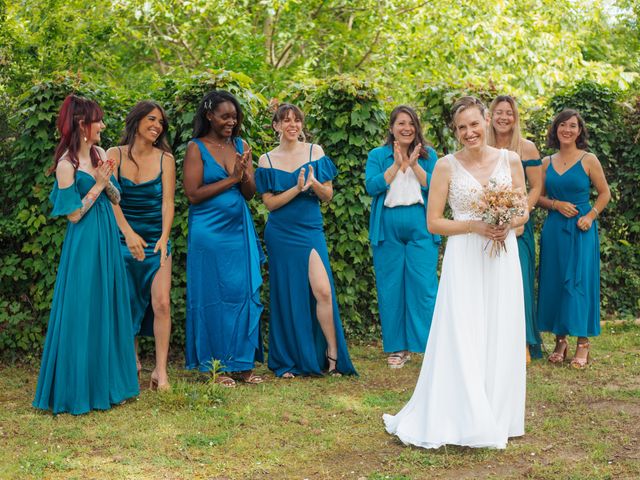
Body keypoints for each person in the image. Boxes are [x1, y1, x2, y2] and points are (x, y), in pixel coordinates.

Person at [384, 96, 529, 449]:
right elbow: (434, 221)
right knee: (464, 329)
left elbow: (523, 211)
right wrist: (476, 227)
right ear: (456, 131)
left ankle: (498, 413)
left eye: (474, 124)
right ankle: (464, 412)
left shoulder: (510, 160)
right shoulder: (447, 166)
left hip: (501, 256)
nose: (469, 132)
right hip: (464, 256)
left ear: (486, 122)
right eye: (461, 127)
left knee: (499, 327)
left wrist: (506, 221)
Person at [33, 94, 139, 414]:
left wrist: (107, 180)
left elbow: (116, 198)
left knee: (107, 305)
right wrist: (96, 184)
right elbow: (74, 215)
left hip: (106, 236)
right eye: (99, 120)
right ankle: (78, 389)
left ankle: (108, 386)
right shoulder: (67, 166)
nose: (103, 125)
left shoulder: (99, 153)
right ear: (82, 124)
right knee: (83, 308)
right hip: (84, 242)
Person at [255, 103, 356, 378]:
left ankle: (332, 355)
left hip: (310, 230)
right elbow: (270, 204)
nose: (292, 125)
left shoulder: (315, 152)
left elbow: (328, 196)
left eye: (297, 120)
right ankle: (288, 359)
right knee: (287, 295)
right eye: (286, 120)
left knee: (322, 290)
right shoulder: (267, 160)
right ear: (276, 126)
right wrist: (296, 188)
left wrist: (314, 185)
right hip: (281, 233)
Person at [183, 90, 264, 386]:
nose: (231, 121)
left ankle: (242, 363)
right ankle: (213, 366)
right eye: (225, 116)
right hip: (208, 232)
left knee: (242, 292)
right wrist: (230, 178)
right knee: (212, 295)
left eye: (234, 116)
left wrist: (243, 174)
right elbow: (192, 195)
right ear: (209, 116)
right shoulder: (196, 147)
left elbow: (249, 193)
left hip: (238, 229)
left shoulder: (240, 145)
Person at [107, 101, 175, 391]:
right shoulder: (113, 155)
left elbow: (168, 202)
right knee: (126, 302)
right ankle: (131, 362)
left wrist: (164, 238)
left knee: (161, 302)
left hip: (156, 240)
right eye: (151, 119)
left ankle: (160, 371)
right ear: (136, 120)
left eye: (160, 122)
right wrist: (128, 234)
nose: (157, 126)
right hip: (122, 239)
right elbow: (109, 198)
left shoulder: (166, 159)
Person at [365, 106, 440, 368]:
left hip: (421, 224)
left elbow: (436, 186)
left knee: (424, 287)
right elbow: (372, 186)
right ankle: (397, 348)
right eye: (400, 123)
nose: (406, 128)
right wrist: (396, 166)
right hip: (388, 225)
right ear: (391, 128)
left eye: (410, 123)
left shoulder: (429, 155)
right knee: (391, 287)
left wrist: (416, 165)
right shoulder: (378, 155)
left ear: (416, 127)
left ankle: (427, 346)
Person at [537, 109, 610, 368]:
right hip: (555, 229)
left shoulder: (588, 159)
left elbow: (604, 193)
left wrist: (590, 216)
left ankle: (583, 344)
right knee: (556, 282)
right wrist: (556, 204)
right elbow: (538, 197)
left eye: (573, 126)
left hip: (581, 229)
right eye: (562, 125)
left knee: (578, 284)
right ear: (555, 130)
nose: (567, 130)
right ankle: (560, 341)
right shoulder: (546, 162)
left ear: (579, 131)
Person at [488, 95, 544, 361]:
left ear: (515, 117)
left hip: (519, 224)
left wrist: (519, 214)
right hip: (489, 223)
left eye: (508, 113)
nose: (503, 117)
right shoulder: (483, 146)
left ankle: (523, 342)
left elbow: (536, 187)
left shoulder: (527, 148)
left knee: (519, 280)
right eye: (498, 112)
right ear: (490, 116)